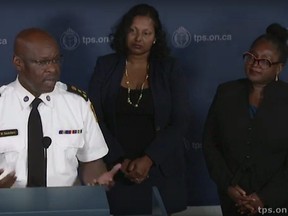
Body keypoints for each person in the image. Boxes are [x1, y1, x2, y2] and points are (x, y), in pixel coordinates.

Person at [88, 3, 191, 215]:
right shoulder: (105, 66)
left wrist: (149, 159)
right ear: (124, 33)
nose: (138, 38)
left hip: (159, 167)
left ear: (155, 37)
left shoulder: (169, 68)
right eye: (133, 31)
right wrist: (119, 159)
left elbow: (180, 120)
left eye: (146, 33)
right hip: (116, 167)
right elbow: (93, 118)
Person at [0, 28, 121, 189]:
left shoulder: (77, 103)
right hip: (10, 208)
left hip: (65, 206)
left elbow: (91, 161)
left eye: (56, 60)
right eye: (42, 62)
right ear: (18, 63)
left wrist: (98, 181)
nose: (53, 69)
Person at [203, 23, 288, 216]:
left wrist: (262, 198)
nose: (255, 63)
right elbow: (210, 144)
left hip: (277, 202)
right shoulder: (226, 93)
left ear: (279, 68)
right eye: (251, 56)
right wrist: (228, 186)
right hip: (232, 199)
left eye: (265, 61)